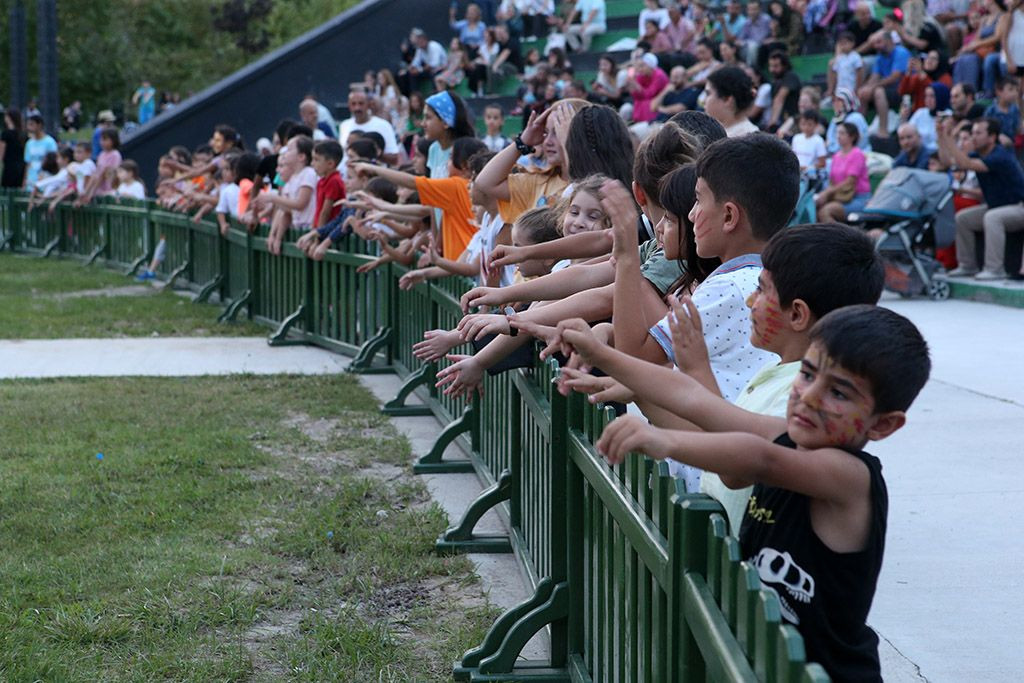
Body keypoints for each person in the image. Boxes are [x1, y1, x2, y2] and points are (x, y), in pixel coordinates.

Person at [557, 304, 930, 683]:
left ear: (883, 425)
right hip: (762, 660)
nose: (809, 396)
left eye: (838, 392)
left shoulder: (850, 479)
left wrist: (668, 440)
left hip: (827, 674)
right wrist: (601, 353)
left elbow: (762, 460)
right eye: (807, 374)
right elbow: (695, 400)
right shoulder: (785, 435)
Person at [942, 117, 1024, 279]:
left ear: (992, 137)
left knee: (992, 218)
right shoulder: (978, 154)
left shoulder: (1000, 156)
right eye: (972, 133)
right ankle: (967, 266)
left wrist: (950, 138)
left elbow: (966, 164)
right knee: (962, 218)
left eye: (978, 133)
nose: (973, 137)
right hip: (997, 206)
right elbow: (948, 162)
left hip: (1019, 206)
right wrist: (941, 136)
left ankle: (995, 269)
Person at [857, 31, 911, 138]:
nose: (876, 46)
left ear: (889, 41)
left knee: (878, 92)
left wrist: (873, 87)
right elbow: (875, 76)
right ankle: (859, 129)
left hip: (903, 90)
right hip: (889, 90)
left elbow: (895, 77)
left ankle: (883, 131)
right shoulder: (880, 57)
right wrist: (866, 88)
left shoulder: (901, 52)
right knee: (863, 92)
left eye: (879, 42)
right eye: (875, 44)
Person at [817, 122, 870, 222]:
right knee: (814, 207)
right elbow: (832, 181)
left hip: (857, 198)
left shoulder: (857, 154)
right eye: (837, 133)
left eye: (842, 133)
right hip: (839, 196)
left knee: (825, 212)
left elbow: (850, 181)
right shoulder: (836, 156)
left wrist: (827, 192)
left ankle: (840, 237)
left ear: (852, 137)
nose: (838, 136)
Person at [337, 90, 400, 174]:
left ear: (369, 104)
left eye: (361, 103)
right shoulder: (344, 125)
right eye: (353, 104)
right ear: (349, 105)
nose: (357, 108)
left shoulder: (383, 125)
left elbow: (394, 159)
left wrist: (372, 152)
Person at [704, 66, 759, 137]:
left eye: (708, 94)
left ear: (727, 99)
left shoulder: (746, 137)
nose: (703, 100)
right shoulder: (719, 132)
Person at [400, 28, 448, 96]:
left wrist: (419, 70)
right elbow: (415, 62)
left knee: (434, 74)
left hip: (442, 69)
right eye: (418, 41)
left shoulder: (434, 46)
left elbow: (434, 65)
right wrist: (409, 69)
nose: (419, 43)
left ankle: (435, 95)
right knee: (412, 75)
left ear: (425, 40)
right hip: (430, 70)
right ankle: (415, 96)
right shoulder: (419, 49)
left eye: (421, 40)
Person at [311, 139, 346, 230]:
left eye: (316, 160)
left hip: (328, 230)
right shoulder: (321, 181)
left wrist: (318, 233)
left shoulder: (334, 181)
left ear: (330, 164)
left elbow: (325, 212)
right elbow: (318, 209)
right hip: (319, 228)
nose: (312, 164)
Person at [983, 75, 1022, 146]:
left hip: (1012, 146)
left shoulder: (1015, 109)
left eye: (1017, 90)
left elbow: (1018, 129)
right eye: (1011, 89)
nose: (1015, 93)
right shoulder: (991, 111)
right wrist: (999, 136)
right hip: (996, 146)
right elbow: (986, 131)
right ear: (999, 91)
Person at [767, 52, 801, 131]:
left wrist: (772, 123)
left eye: (776, 66)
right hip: (783, 121)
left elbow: (779, 98)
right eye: (771, 66)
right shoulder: (775, 81)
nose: (772, 70)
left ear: (784, 65)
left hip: (794, 121)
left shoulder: (791, 76)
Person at [22, 113, 58, 189]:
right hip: (31, 181)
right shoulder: (29, 143)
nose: (29, 127)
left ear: (39, 125)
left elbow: (53, 162)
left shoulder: (50, 142)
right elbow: (28, 163)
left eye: (32, 124)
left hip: (45, 180)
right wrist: (24, 180)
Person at [828, 31, 865, 100]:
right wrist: (832, 90)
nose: (843, 46)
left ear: (852, 43)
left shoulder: (856, 57)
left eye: (845, 43)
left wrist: (857, 89)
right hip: (840, 90)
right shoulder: (839, 58)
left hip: (852, 90)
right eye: (841, 44)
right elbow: (835, 74)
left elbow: (859, 74)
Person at [0, 108, 26, 189]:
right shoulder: (23, 134)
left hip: (9, 166)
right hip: (21, 166)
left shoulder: (6, 134)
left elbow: (1, 152)